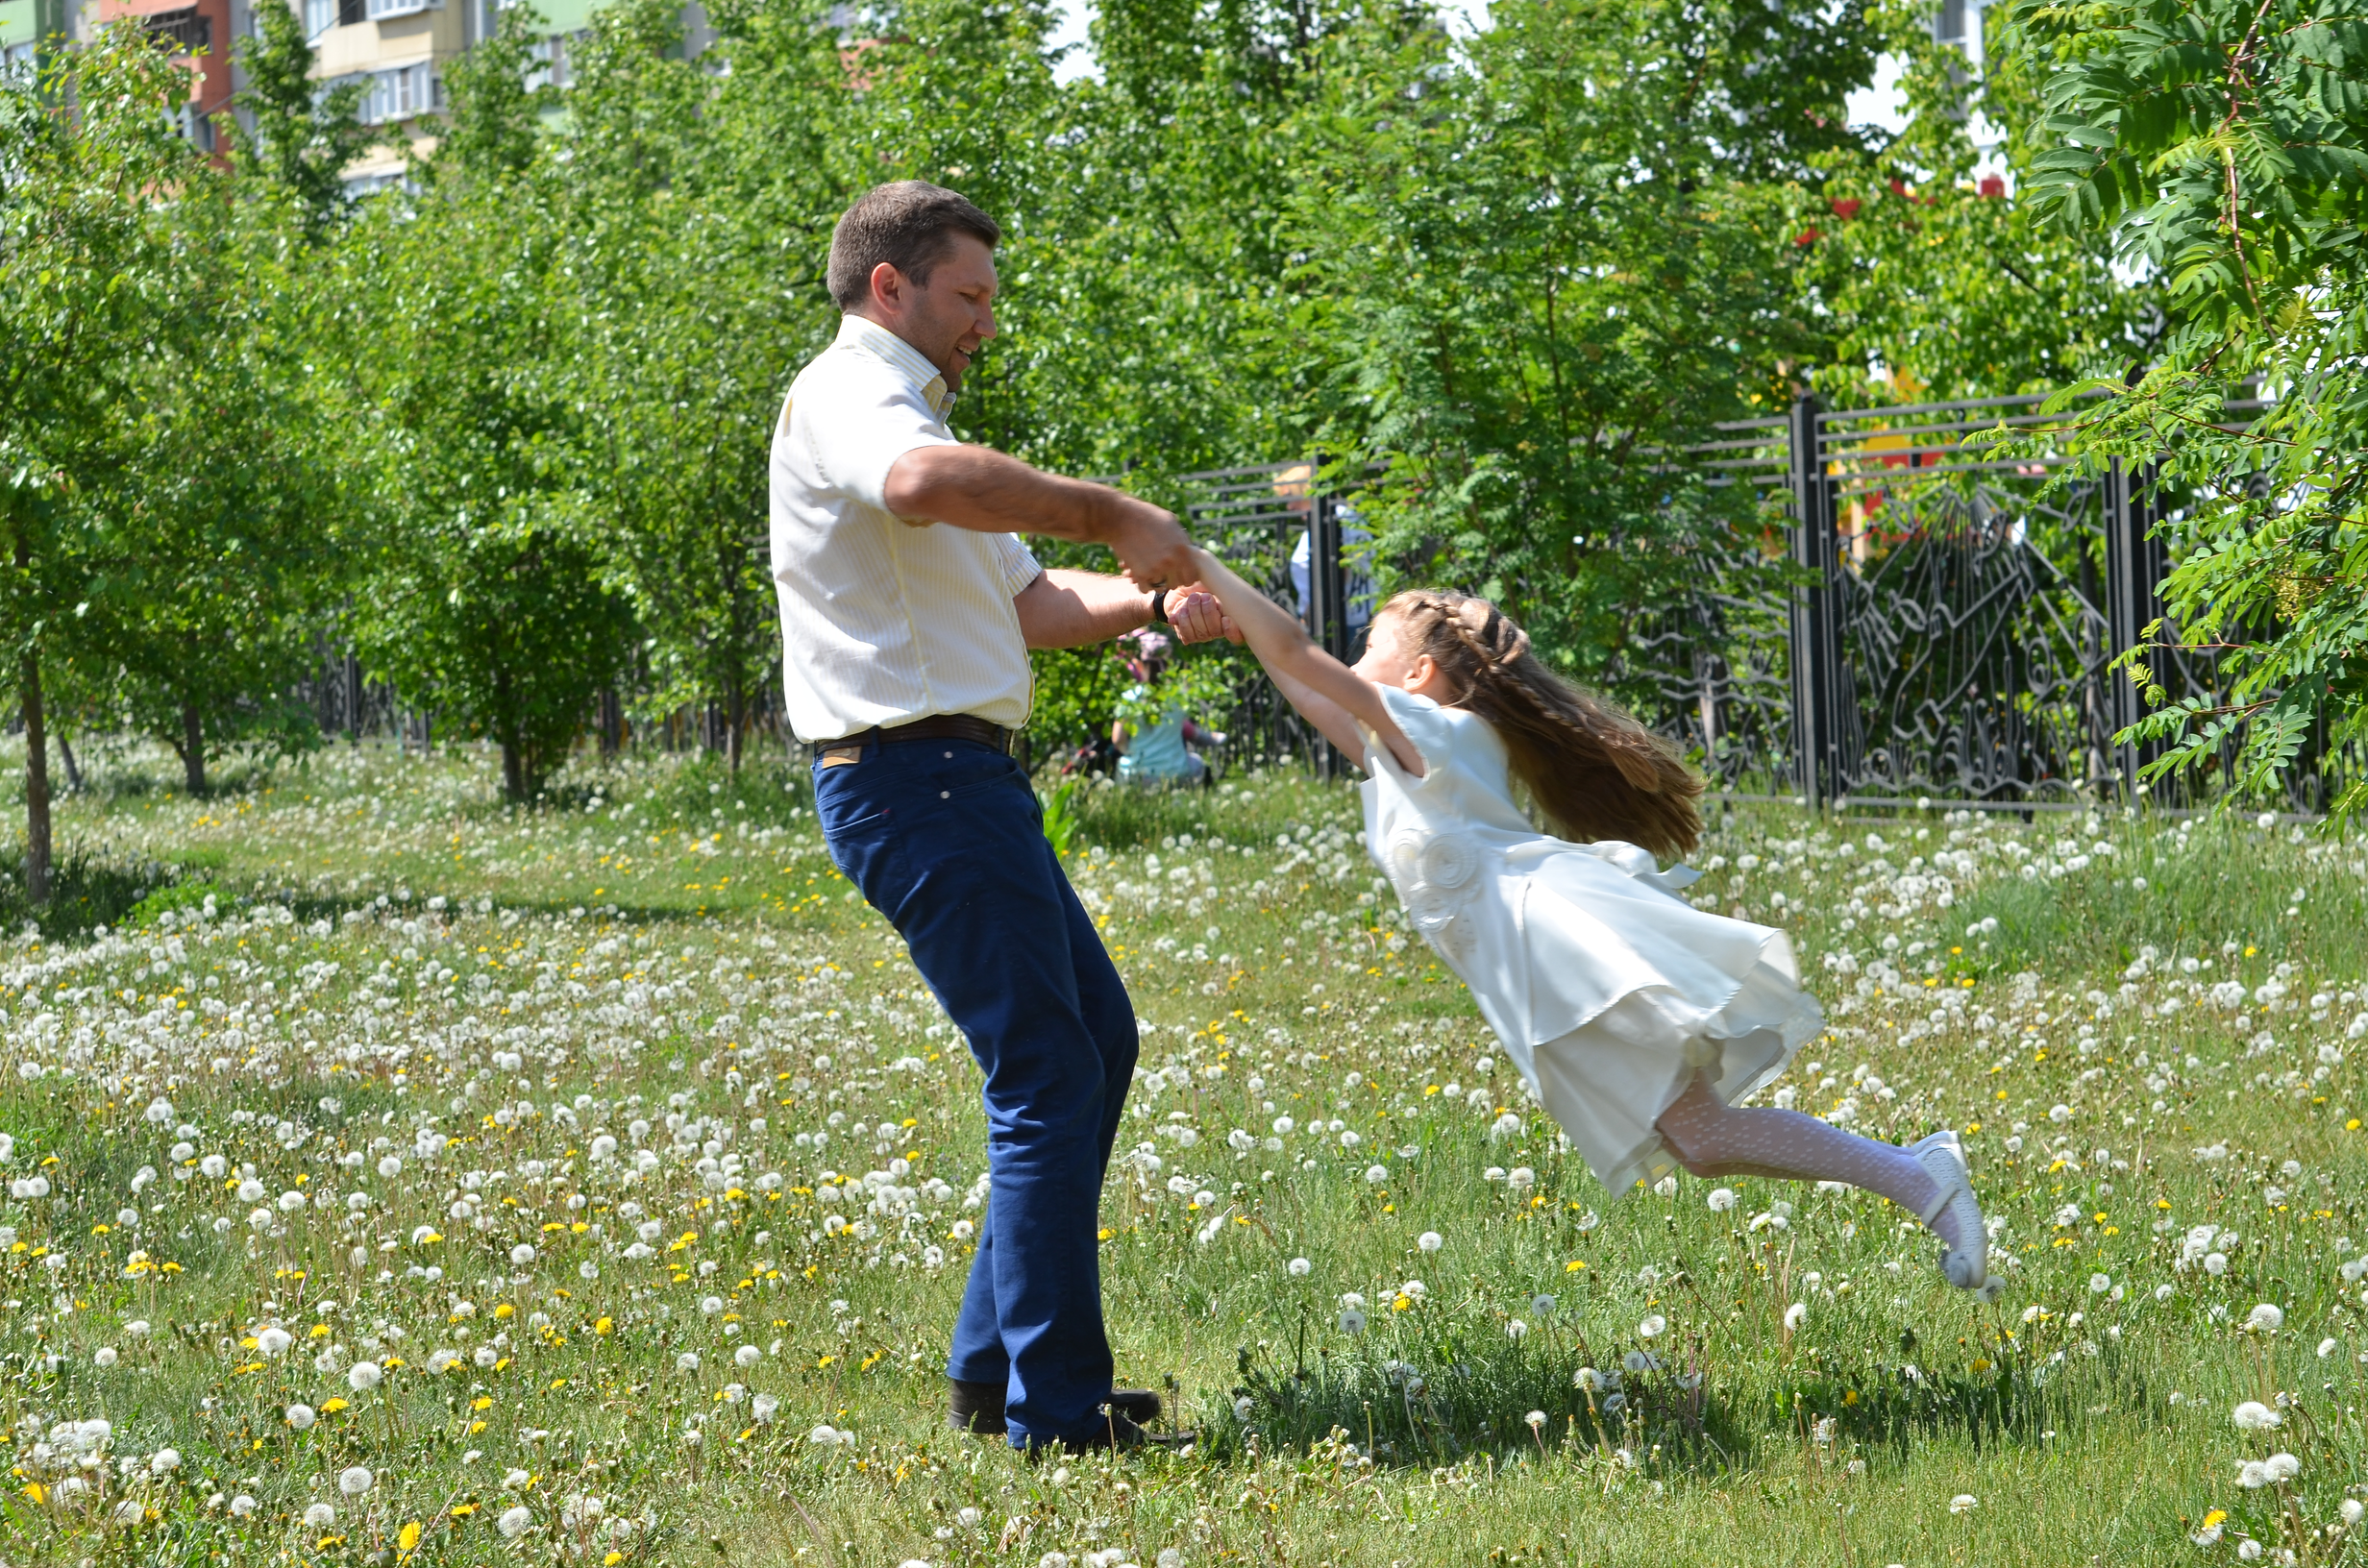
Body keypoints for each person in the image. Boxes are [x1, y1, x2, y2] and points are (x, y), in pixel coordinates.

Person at [1178, 547, 1995, 1296]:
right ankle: (1918, 1172)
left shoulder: (1430, 727)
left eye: (1366, 650)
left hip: (1556, 945)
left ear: (1419, 674)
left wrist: (1198, 563)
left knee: (1701, 1137)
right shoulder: (1406, 748)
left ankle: (1921, 1176)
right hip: (1532, 967)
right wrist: (1233, 627)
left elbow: (1297, 656)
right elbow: (1301, 679)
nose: (1350, 666)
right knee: (1702, 1141)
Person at [770, 181, 1238, 1452]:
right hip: (912, 783)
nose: (987, 320)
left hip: (959, 780)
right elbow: (922, 483)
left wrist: (1154, 605)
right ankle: (1060, 1416)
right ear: (891, 287)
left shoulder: (917, 421)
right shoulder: (857, 403)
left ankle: (997, 1377)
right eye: (969, 295)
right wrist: (1117, 513)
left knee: (1096, 1036)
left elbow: (1031, 606)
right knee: (1044, 1068)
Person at [1110, 629, 1220, 786]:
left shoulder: (1130, 697)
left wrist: (1134, 754)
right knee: (1197, 762)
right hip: (1174, 773)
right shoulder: (1180, 696)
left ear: (1141, 664)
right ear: (1170, 664)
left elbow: (1118, 739)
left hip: (1136, 773)